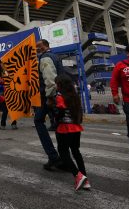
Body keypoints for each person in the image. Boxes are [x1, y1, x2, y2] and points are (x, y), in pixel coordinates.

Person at [54, 74, 91, 190]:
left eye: (56, 83)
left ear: (60, 85)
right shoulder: (75, 96)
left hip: (64, 128)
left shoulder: (59, 96)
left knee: (63, 152)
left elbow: (59, 112)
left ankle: (77, 175)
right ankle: (85, 179)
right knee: (76, 152)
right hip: (76, 128)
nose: (55, 85)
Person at [35, 39, 62, 170]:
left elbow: (50, 79)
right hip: (59, 95)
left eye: (39, 47)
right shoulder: (55, 56)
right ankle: (61, 157)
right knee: (59, 125)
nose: (37, 49)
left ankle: (54, 156)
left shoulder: (45, 58)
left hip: (49, 96)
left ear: (46, 46)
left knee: (39, 121)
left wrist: (50, 97)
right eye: (36, 47)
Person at [0, 66, 16, 130]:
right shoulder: (9, 74)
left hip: (5, 94)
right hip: (9, 94)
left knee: (5, 111)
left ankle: (3, 125)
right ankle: (13, 124)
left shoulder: (1, 75)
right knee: (11, 110)